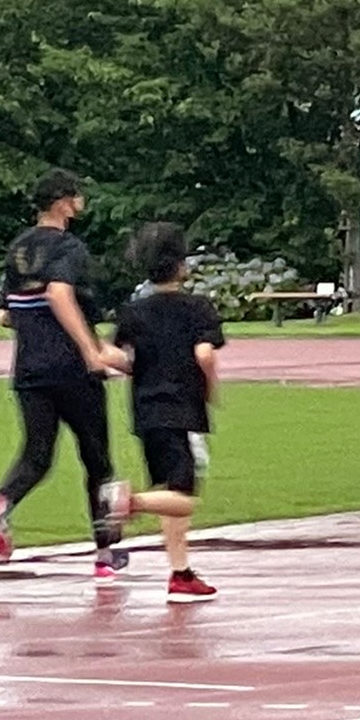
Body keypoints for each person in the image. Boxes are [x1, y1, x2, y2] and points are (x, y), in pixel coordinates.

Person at [0, 170, 130, 578]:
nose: (81, 201)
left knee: (36, 455)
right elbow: (59, 294)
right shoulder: (69, 248)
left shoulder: (19, 248)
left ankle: (1, 501)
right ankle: (104, 554)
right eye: (76, 195)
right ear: (64, 202)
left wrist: (42, 327)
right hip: (71, 369)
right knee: (96, 457)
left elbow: (4, 314)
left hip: (29, 369)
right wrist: (91, 351)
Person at [101, 223, 226, 602]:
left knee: (171, 490)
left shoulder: (134, 312)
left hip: (146, 412)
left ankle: (180, 572)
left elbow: (118, 358)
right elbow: (204, 354)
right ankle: (127, 501)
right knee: (185, 495)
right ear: (182, 267)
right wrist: (211, 388)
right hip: (183, 410)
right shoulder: (198, 309)